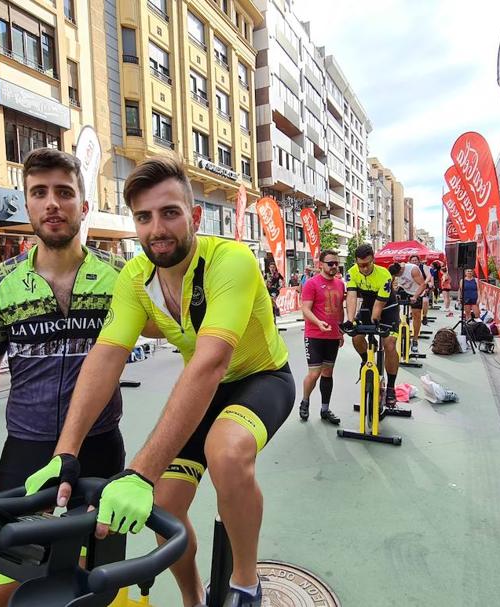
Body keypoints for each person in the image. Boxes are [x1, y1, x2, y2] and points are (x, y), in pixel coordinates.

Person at [23, 157, 293, 607]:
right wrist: (66, 451)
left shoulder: (230, 261)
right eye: (144, 217)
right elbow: (106, 357)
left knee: (226, 452)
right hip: (202, 389)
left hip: (258, 377)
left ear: (195, 216)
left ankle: (246, 582)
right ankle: (194, 598)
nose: (157, 229)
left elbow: (210, 363)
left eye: (170, 213)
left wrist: (138, 473)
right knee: (162, 510)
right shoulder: (135, 276)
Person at [0, 148, 128, 607]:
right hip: (25, 452)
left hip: (100, 446)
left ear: (83, 207)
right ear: (26, 205)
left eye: (64, 192)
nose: (52, 203)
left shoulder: (119, 276)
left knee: (91, 585)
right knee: (1, 591)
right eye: (40, 193)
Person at [343, 243, 401, 408]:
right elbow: (352, 297)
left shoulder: (384, 275)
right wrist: (350, 320)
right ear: (356, 261)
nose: (365, 268)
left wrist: (376, 322)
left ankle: (390, 387)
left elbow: (379, 307)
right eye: (361, 265)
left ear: (373, 260)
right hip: (368, 307)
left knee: (389, 344)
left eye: (368, 264)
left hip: (387, 308)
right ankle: (366, 361)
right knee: (356, 338)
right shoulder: (352, 272)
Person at [298, 250, 345, 425]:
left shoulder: (340, 284)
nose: (334, 266)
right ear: (321, 265)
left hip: (332, 336)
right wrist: (318, 323)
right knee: (315, 373)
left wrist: (340, 331)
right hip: (314, 335)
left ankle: (325, 410)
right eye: (330, 263)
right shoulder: (312, 283)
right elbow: (305, 309)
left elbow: (340, 309)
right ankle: (305, 401)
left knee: (328, 372)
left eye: (336, 264)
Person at [390, 258, 428, 352]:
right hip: (404, 290)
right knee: (392, 305)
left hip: (417, 291)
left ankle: (415, 339)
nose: (398, 276)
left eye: (398, 275)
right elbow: (390, 282)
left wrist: (415, 297)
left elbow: (423, 285)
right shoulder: (394, 270)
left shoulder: (412, 270)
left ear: (401, 270)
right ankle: (398, 332)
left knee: (416, 315)